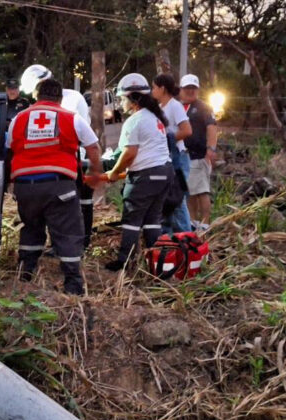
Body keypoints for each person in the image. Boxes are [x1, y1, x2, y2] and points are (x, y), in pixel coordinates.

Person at [6, 77, 103, 296]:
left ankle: (25, 275)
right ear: (59, 98)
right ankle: (73, 284)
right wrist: (95, 172)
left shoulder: (19, 118)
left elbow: (9, 149)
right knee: (68, 233)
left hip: (26, 187)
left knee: (31, 228)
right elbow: (93, 147)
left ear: (37, 96)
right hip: (59, 187)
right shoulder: (71, 117)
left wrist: (10, 184)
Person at [93, 73, 172, 272]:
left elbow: (129, 153)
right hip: (164, 173)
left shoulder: (135, 121)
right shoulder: (155, 118)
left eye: (122, 98)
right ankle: (158, 264)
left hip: (145, 176)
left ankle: (125, 262)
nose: (121, 103)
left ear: (133, 98)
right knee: (153, 221)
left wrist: (113, 172)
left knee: (131, 221)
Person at [18, 64, 95, 247]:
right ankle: (61, 245)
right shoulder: (39, 106)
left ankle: (79, 244)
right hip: (54, 166)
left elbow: (84, 136)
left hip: (73, 161)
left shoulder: (71, 100)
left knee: (77, 205)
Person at [152, 73, 192, 233]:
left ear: (162, 89)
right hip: (166, 157)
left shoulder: (175, 106)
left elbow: (187, 130)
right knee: (167, 198)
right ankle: (169, 235)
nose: (152, 91)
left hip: (178, 157)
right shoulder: (160, 107)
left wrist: (166, 139)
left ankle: (186, 233)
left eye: (154, 87)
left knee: (177, 198)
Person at [179, 74, 218, 231]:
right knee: (190, 191)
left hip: (199, 154)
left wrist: (211, 148)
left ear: (198, 90)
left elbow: (212, 127)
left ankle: (205, 222)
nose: (190, 91)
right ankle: (192, 221)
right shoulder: (180, 107)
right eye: (187, 88)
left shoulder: (203, 107)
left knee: (201, 190)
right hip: (184, 156)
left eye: (193, 88)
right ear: (181, 89)